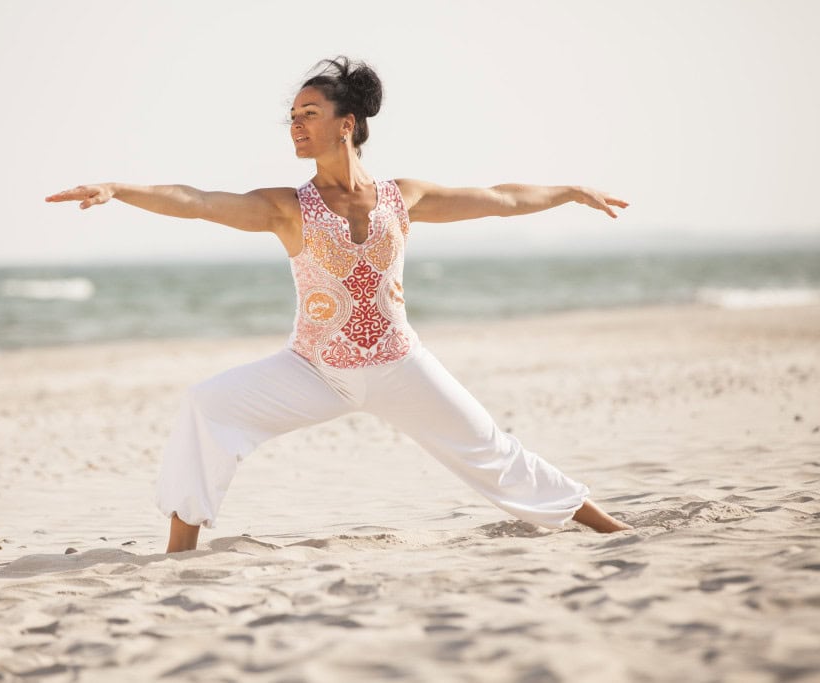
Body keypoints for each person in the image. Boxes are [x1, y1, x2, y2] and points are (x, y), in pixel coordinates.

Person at [46, 56, 633, 553]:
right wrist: (119, 190)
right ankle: (177, 556)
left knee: (490, 451)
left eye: (309, 115)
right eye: (293, 117)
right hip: (314, 369)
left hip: (400, 365)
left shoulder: (404, 197)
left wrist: (570, 192)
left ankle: (611, 529)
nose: (296, 126)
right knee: (208, 406)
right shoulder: (287, 207)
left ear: (346, 124)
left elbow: (501, 198)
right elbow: (198, 200)